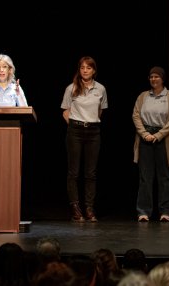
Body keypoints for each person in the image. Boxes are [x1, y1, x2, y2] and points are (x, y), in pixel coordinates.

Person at [61, 56, 108, 223]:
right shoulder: (71, 88)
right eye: (82, 68)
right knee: (73, 172)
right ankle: (75, 208)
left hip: (93, 131)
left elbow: (101, 110)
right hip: (75, 130)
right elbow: (65, 110)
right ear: (79, 70)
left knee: (91, 173)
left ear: (94, 70)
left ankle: (89, 208)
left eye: (89, 68)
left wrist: (89, 121)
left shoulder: (100, 89)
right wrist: (75, 123)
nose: (85, 70)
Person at [133, 66, 169, 222]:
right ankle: (143, 211)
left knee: (164, 176)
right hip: (145, 137)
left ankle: (165, 211)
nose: (153, 79)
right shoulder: (143, 96)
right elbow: (135, 115)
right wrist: (145, 134)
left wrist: (159, 135)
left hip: (164, 138)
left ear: (163, 78)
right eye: (151, 77)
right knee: (145, 177)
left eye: (156, 77)